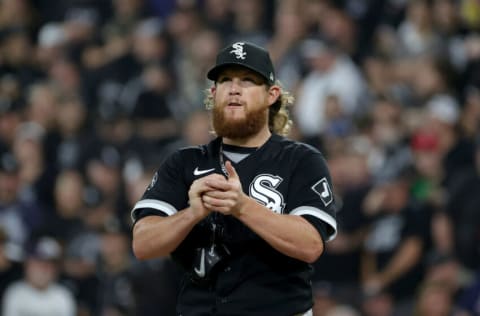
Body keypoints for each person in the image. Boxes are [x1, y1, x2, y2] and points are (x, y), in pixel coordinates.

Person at [131, 41, 337, 316]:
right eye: (225, 80)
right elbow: (143, 244)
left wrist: (243, 207)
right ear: (214, 93)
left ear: (272, 94)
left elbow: (311, 245)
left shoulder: (300, 160)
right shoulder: (184, 163)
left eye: (248, 81)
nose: (234, 89)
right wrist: (191, 214)